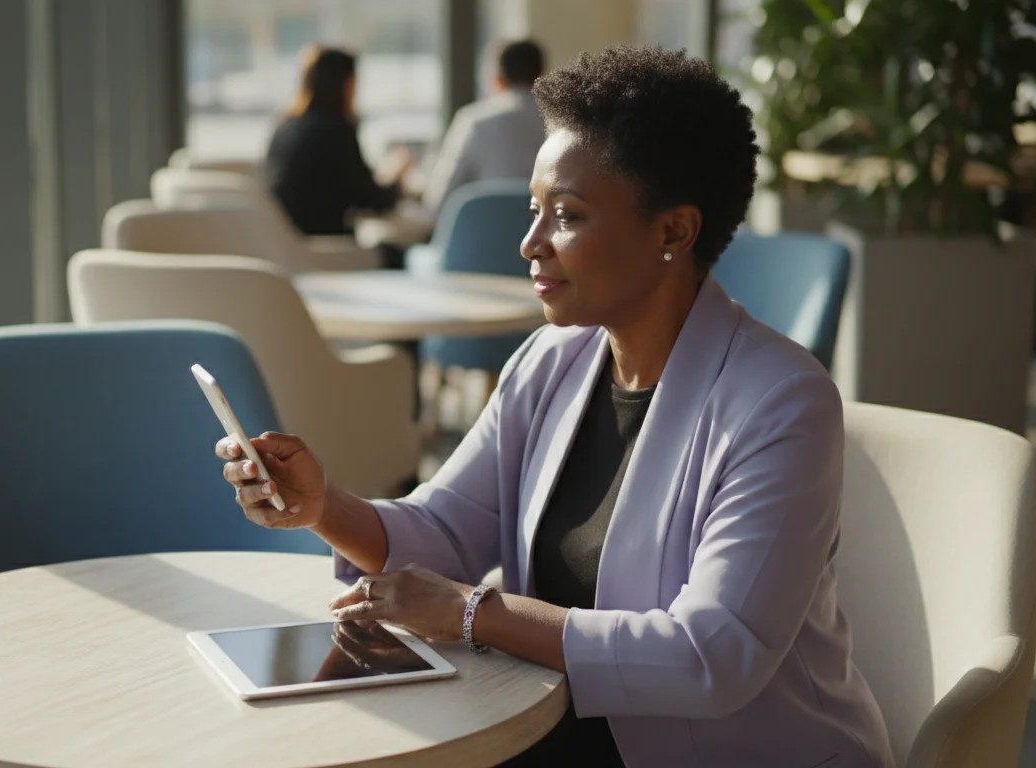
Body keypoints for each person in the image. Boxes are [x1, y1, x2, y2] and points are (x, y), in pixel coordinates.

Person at [217, 46, 893, 767]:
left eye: (566, 216)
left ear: (674, 231)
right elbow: (448, 528)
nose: (530, 243)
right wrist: (323, 507)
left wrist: (474, 612)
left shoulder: (780, 403)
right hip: (557, 736)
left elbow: (713, 654)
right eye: (534, 210)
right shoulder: (552, 361)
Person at [263, 46, 412, 237]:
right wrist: (397, 176)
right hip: (324, 242)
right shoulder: (335, 129)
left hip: (284, 240)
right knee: (400, 252)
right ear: (347, 84)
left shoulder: (285, 125)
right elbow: (374, 201)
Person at [421, 39, 547, 213]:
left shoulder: (475, 121)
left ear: (497, 80)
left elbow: (437, 200)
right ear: (543, 75)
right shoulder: (565, 123)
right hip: (548, 236)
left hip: (486, 237)